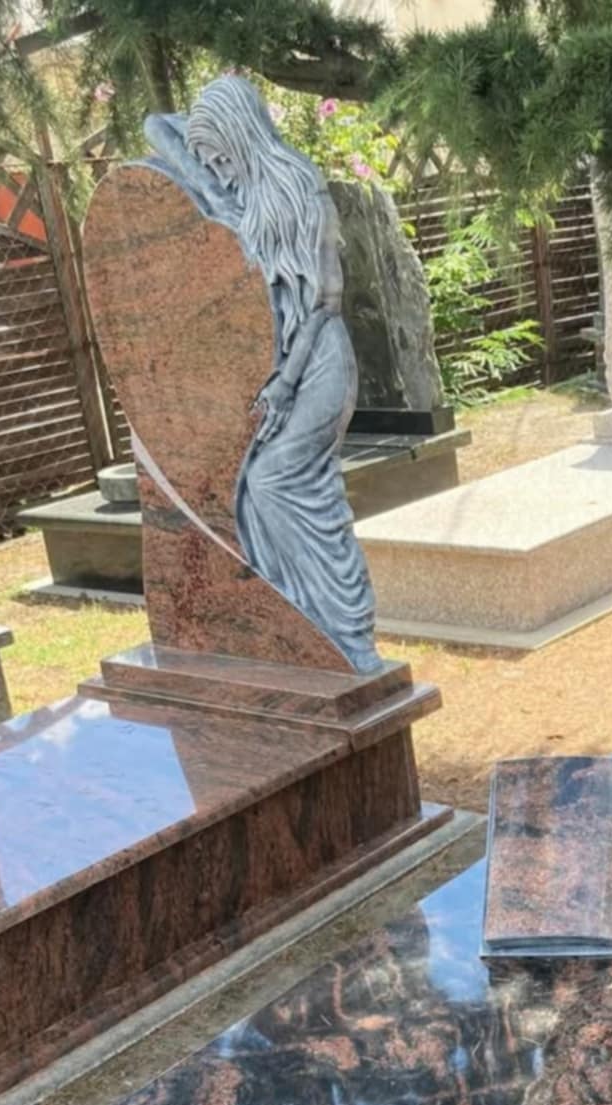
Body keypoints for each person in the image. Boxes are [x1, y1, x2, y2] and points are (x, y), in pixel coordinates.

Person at [145, 77, 381, 673]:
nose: (218, 175)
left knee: (279, 480)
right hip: (280, 363)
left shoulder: (300, 186)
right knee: (254, 492)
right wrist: (208, 158)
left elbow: (325, 298)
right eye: (211, 164)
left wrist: (285, 381)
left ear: (244, 138)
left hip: (317, 360)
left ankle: (348, 630)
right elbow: (156, 127)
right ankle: (302, 623)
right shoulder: (239, 193)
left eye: (222, 160)